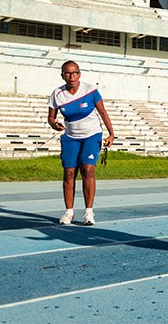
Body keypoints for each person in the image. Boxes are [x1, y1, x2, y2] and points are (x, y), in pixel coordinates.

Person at [47, 60, 114, 226]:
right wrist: (54, 124)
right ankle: (68, 213)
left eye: (74, 72)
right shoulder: (57, 94)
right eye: (67, 73)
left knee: (87, 170)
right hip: (70, 137)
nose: (71, 76)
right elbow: (51, 117)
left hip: (92, 135)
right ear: (62, 75)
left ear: (79, 74)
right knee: (69, 173)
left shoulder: (90, 90)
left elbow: (103, 112)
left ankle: (88, 213)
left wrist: (111, 134)